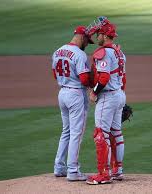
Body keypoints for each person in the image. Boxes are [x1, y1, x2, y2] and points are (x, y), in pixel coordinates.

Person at [86, 17, 127, 185]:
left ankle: (103, 174)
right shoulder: (119, 52)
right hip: (119, 94)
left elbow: (103, 77)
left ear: (104, 35)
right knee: (115, 132)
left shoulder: (103, 53)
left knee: (100, 134)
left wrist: (94, 93)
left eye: (98, 34)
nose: (97, 37)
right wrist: (120, 98)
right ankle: (117, 170)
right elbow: (123, 78)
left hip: (108, 96)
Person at [52, 25, 94, 181]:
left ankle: (59, 167)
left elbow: (54, 75)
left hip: (62, 93)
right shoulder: (79, 54)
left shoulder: (57, 51)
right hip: (75, 95)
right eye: (87, 41)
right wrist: (93, 82)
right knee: (76, 133)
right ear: (82, 37)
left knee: (66, 131)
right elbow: (84, 79)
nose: (87, 44)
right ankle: (73, 171)